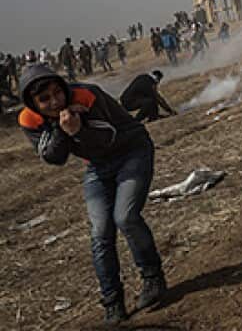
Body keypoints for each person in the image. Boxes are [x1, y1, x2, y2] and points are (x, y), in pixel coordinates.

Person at [17, 64, 167, 324]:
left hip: (131, 150)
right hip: (97, 165)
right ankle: (112, 302)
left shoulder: (88, 96)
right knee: (100, 232)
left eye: (57, 93)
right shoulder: (29, 120)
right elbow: (54, 157)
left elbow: (107, 138)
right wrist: (62, 129)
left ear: (64, 88)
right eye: (44, 99)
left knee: (126, 217)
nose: (54, 102)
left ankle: (152, 278)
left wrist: (79, 130)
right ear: (33, 104)